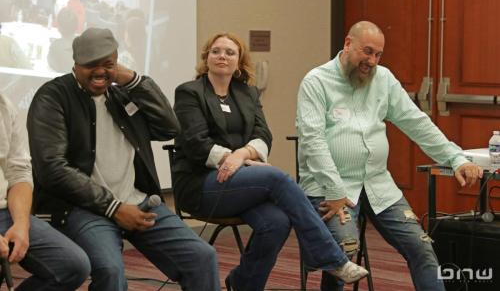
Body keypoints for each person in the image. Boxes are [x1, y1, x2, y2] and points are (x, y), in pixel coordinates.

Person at [295, 20, 483, 291]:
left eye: (378, 54)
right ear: (348, 44)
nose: (372, 61)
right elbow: (313, 141)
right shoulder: (316, 82)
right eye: (367, 51)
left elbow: (416, 122)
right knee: (343, 253)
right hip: (330, 188)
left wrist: (456, 158)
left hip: (377, 184)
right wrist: (334, 190)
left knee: (422, 249)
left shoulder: (383, 79)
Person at [173, 32, 369, 291]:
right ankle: (330, 258)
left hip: (239, 183)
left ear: (239, 60)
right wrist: (233, 161)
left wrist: (241, 156)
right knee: (276, 178)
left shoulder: (247, 93)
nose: (222, 56)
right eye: (216, 51)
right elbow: (196, 143)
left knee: (276, 223)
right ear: (206, 57)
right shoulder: (190, 92)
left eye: (230, 52)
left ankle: (243, 284)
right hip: (201, 184)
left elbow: (263, 135)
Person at [27, 27, 219, 291]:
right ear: (75, 64)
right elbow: (52, 168)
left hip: (136, 200)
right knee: (110, 270)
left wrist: (136, 82)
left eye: (108, 64)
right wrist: (113, 208)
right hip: (84, 208)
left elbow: (169, 128)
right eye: (90, 64)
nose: (99, 71)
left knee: (202, 257)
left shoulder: (122, 95)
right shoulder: (53, 97)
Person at [0, 92, 90, 290]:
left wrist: (22, 224)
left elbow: (19, 172)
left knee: (73, 266)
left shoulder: (4, 104)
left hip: (3, 211)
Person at [47, 7, 78, 72]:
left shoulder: (55, 47)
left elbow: (51, 68)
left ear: (59, 27)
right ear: (76, 26)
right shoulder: (84, 45)